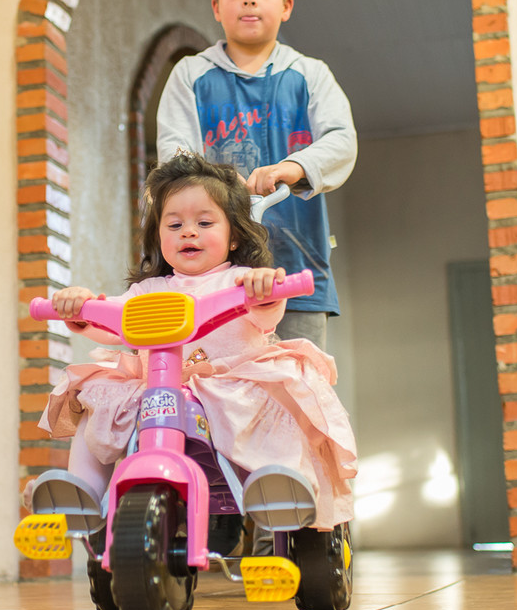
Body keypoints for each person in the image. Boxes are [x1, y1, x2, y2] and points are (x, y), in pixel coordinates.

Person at [30, 153, 356, 533]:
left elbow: (266, 314)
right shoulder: (148, 291)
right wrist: (81, 308)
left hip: (231, 385)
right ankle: (82, 491)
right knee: (97, 391)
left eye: (204, 222)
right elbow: (113, 323)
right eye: (174, 224)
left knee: (279, 391)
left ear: (234, 236)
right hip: (159, 389)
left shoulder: (242, 280)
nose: (188, 232)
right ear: (159, 237)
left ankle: (277, 479)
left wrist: (265, 290)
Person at [156, 0, 357, 352]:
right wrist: (219, 181)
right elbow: (175, 153)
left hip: (297, 270)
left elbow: (342, 141)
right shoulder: (190, 75)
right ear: (216, 6)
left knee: (300, 390)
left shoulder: (310, 75)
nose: (249, 0)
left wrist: (295, 168)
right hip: (210, 280)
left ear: (285, 6)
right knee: (212, 386)